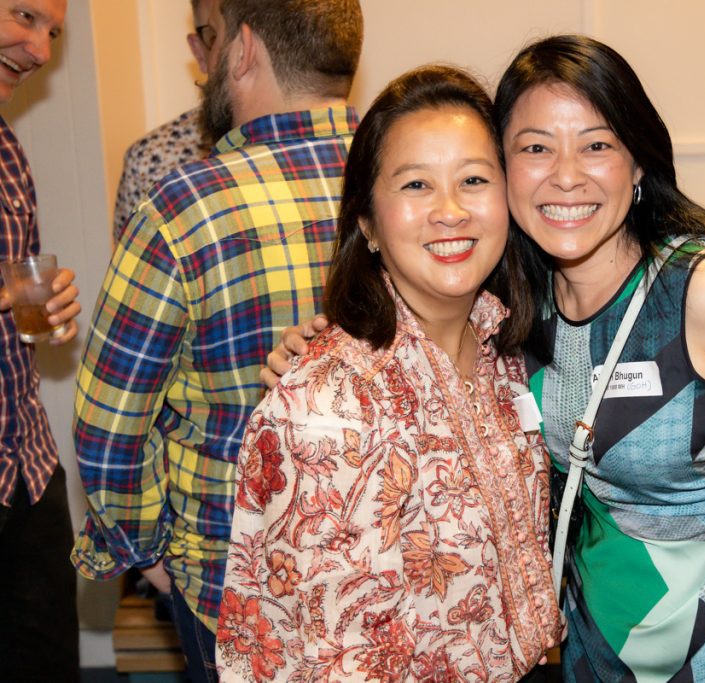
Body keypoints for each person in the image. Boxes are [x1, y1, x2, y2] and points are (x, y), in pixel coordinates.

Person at [269, 34, 705, 682]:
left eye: (596, 144)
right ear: (504, 170)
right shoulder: (516, 304)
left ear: (636, 163)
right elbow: (413, 325)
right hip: (593, 656)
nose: (566, 174)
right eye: (536, 147)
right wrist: (323, 345)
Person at [216, 64, 561, 683]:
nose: (450, 211)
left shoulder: (501, 354)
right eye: (416, 186)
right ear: (368, 224)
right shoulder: (327, 410)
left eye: (474, 179)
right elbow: (334, 657)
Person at [72, 1, 363, 680]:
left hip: (235, 574)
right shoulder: (422, 183)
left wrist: (143, 550)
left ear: (241, 48)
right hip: (393, 564)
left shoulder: (184, 207)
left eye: (211, 35)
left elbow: (109, 423)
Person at [0, 1, 83, 681]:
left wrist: (48, 316)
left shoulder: (7, 149)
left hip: (26, 468)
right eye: (24, 15)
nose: (40, 50)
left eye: (52, 32)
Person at [111, 0, 222, 242]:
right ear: (198, 51)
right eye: (214, 36)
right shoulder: (150, 159)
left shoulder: (308, 141)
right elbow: (133, 274)